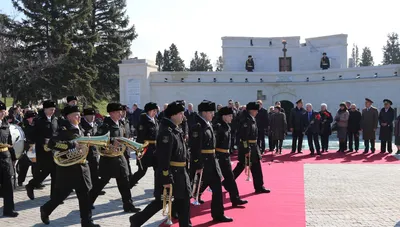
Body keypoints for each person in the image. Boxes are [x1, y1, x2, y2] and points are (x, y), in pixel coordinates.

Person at [129, 101, 192, 227]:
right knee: (161, 201)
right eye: (180, 113)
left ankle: (186, 224)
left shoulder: (175, 129)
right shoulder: (167, 132)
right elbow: (163, 158)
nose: (183, 116)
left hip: (180, 173)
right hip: (172, 174)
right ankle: (137, 220)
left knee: (184, 200)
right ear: (172, 115)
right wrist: (166, 177)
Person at [40, 105, 99, 227]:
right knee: (61, 195)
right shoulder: (63, 129)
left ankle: (87, 222)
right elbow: (52, 143)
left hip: (82, 167)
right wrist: (72, 145)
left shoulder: (81, 128)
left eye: (79, 114)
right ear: (69, 117)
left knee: (85, 196)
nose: (79, 116)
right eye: (76, 115)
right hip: (68, 169)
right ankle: (46, 209)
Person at [89, 103, 140, 213]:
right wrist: (112, 141)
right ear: (111, 113)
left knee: (125, 182)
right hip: (108, 159)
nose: (120, 113)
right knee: (102, 182)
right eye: (118, 112)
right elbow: (98, 139)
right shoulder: (105, 125)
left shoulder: (121, 123)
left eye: (121, 111)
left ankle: (128, 205)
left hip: (120, 157)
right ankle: (88, 202)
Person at [190, 100, 233, 222]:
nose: (213, 114)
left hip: (212, 162)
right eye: (211, 112)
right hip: (203, 163)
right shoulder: (198, 126)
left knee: (217, 189)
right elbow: (195, 147)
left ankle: (218, 214)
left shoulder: (207, 124)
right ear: (204, 112)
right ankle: (176, 210)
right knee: (192, 189)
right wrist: (198, 163)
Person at [232, 102, 270, 194]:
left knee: (256, 167)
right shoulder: (246, 120)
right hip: (248, 147)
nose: (257, 112)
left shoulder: (251, 118)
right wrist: (246, 149)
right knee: (241, 166)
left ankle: (259, 186)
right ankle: (228, 182)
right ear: (251, 110)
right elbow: (244, 137)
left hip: (253, 147)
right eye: (256, 110)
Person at [25, 100, 58, 200]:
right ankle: (31, 184)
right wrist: (43, 140)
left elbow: (57, 132)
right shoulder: (38, 120)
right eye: (50, 109)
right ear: (45, 109)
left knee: (55, 173)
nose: (52, 111)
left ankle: (54, 197)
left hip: (53, 150)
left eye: (53, 109)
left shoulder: (55, 119)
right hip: (42, 150)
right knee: (46, 171)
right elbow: (31, 134)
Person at [214, 107, 248, 206]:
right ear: (224, 116)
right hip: (219, 156)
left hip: (225, 156)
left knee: (230, 178)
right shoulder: (218, 127)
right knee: (208, 179)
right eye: (230, 115)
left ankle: (235, 199)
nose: (231, 117)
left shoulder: (226, 126)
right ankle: (195, 195)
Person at [130, 102, 158, 187]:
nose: (155, 112)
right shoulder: (143, 122)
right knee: (142, 171)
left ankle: (158, 190)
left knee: (157, 170)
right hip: (145, 149)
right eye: (153, 110)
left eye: (156, 110)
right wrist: (139, 151)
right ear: (148, 111)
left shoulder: (155, 120)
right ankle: (129, 183)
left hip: (155, 149)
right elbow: (140, 138)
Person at [80, 107, 104, 196]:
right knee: (88, 171)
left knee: (95, 170)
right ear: (85, 116)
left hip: (94, 151)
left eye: (93, 115)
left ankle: (96, 188)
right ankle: (89, 189)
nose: (93, 117)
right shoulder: (81, 125)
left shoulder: (95, 124)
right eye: (90, 115)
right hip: (86, 152)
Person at [0, 101, 18, 217]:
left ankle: (9, 209)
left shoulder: (6, 125)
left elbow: (10, 142)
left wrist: (13, 158)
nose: (2, 114)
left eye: (2, 111)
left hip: (5, 158)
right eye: (0, 112)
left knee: (8, 185)